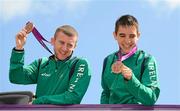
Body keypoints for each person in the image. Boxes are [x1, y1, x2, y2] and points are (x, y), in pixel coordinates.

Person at [9, 23, 91, 104]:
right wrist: (19, 49)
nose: (64, 48)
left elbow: (72, 97)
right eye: (61, 42)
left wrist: (39, 101)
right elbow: (16, 77)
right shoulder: (42, 64)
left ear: (74, 47)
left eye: (70, 45)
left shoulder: (80, 64)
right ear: (53, 41)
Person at [100, 14, 160, 105]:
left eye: (132, 36)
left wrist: (131, 79)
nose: (127, 41)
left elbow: (151, 97)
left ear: (138, 36)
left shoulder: (147, 60)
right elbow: (106, 93)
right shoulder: (108, 60)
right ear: (115, 35)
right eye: (122, 35)